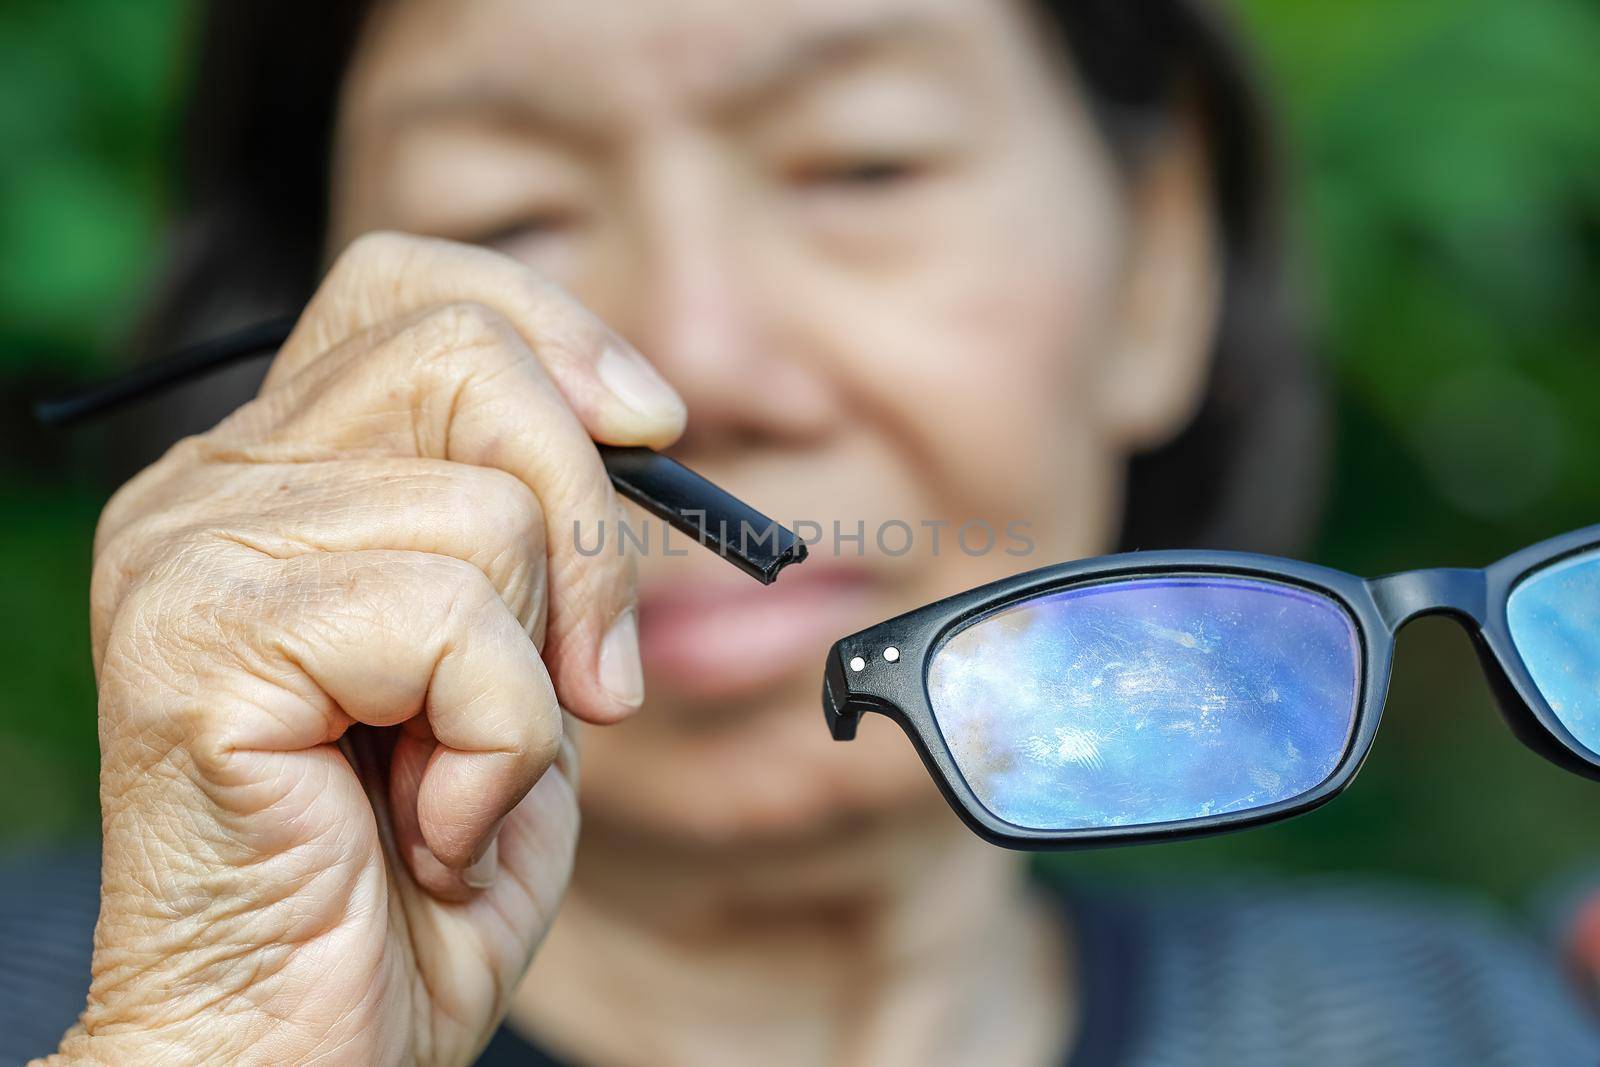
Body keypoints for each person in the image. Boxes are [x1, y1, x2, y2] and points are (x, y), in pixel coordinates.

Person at [10, 1, 1600, 1064]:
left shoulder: (1458, 1022)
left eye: (862, 164)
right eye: (506, 214)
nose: (692, 360)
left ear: (1158, 264)